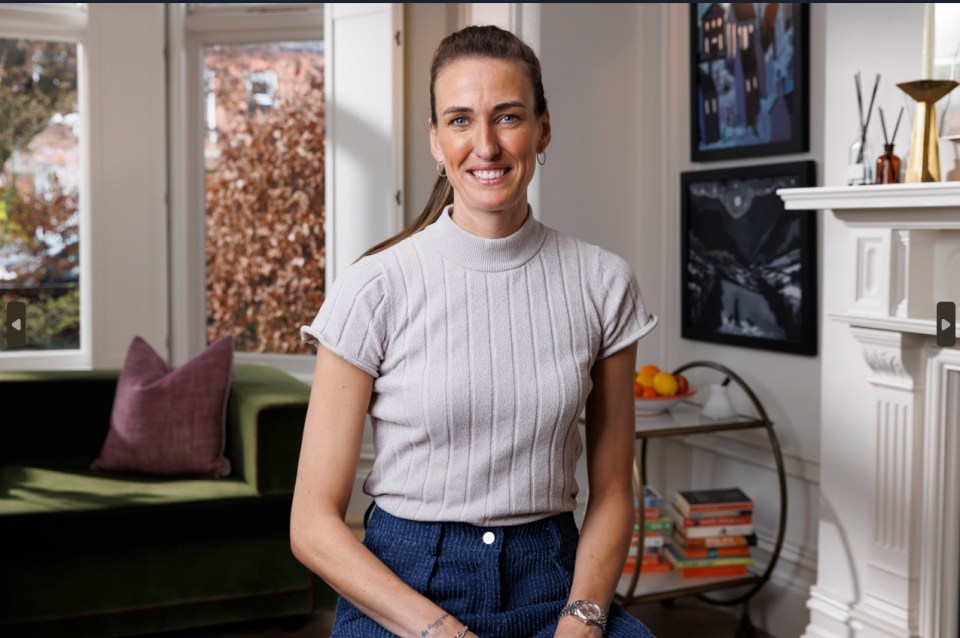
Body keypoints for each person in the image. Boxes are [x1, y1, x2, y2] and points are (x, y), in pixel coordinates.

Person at [291, 25, 658, 638]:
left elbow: (614, 490)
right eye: (459, 121)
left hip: (554, 580)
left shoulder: (603, 283)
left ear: (543, 129)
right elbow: (311, 525)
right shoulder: (374, 287)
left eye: (507, 116)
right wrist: (440, 631)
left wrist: (583, 617)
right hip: (403, 587)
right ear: (436, 140)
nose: (484, 145)